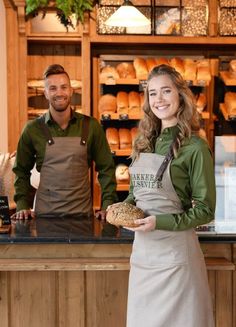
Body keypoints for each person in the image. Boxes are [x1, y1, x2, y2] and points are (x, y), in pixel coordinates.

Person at [121, 64, 215, 326]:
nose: (159, 100)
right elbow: (135, 195)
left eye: (166, 91)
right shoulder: (143, 142)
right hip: (143, 257)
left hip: (177, 260)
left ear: (180, 95)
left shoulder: (195, 147)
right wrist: (121, 209)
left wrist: (158, 222)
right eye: (152, 93)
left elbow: (205, 210)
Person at [12, 64, 118, 235]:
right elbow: (21, 171)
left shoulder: (91, 126)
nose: (59, 93)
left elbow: (106, 169)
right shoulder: (32, 129)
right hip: (44, 218)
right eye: (52, 88)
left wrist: (107, 205)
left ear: (71, 90)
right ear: (45, 92)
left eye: (63, 87)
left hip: (83, 218)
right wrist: (22, 205)